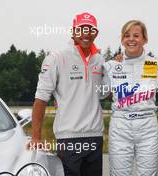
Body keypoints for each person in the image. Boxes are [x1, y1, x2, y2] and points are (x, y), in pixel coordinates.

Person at [28, 12, 105, 176]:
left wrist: (119, 69)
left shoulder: (100, 60)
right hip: (68, 138)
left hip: (95, 136)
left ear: (96, 33)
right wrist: (36, 137)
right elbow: (41, 99)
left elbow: (105, 94)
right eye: (81, 29)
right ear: (73, 31)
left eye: (91, 29)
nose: (86, 34)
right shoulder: (56, 58)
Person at [101, 20, 158, 176]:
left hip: (147, 125)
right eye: (126, 35)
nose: (131, 39)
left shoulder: (155, 64)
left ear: (145, 39)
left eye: (136, 35)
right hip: (120, 125)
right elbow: (100, 93)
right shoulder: (111, 66)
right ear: (122, 39)